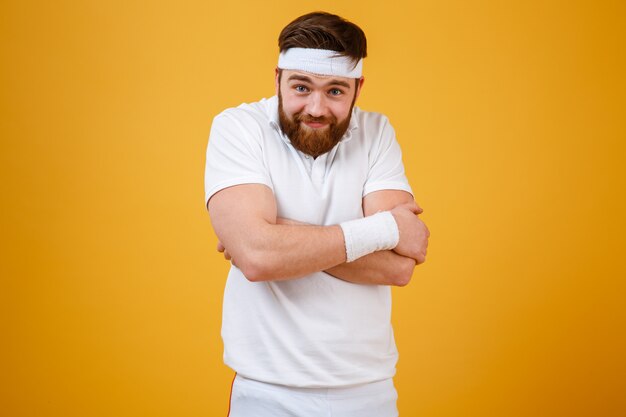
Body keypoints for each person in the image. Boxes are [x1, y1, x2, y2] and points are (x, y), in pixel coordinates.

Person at [204, 11, 429, 417]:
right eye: (301, 87)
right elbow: (257, 257)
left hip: (369, 389)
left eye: (336, 91)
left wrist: (276, 234)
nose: (316, 107)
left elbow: (396, 268)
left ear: (358, 88)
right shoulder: (238, 128)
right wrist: (385, 228)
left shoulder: (377, 133)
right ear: (277, 80)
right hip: (266, 389)